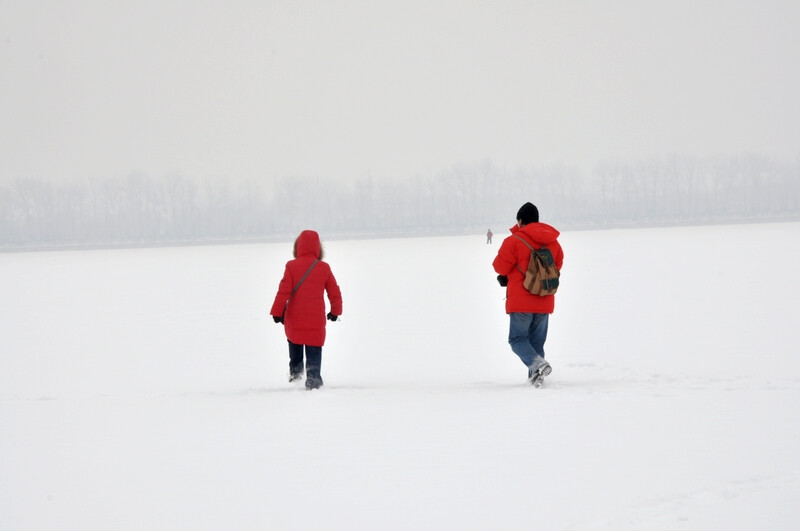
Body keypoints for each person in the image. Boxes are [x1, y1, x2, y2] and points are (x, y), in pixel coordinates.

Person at [492, 202, 564, 386]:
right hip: (545, 299)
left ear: (520, 220)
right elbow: (557, 266)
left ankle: (538, 364)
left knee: (517, 339)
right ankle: (536, 379)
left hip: (521, 301)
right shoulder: (553, 242)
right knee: (537, 343)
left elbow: (500, 266)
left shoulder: (514, 241)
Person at [270, 230, 342, 389]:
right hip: (315, 321)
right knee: (314, 351)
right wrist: (335, 311)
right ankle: (314, 381)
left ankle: (295, 380)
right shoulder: (324, 268)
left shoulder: (291, 266)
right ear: (318, 249)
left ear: (298, 248)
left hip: (294, 319)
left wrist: (277, 312)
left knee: (295, 350)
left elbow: (283, 291)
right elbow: (334, 292)